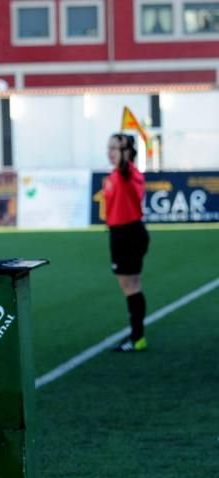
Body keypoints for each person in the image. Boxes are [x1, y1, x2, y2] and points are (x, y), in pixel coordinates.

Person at [104, 132, 149, 352]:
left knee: (130, 287)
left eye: (116, 148)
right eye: (109, 148)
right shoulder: (112, 176)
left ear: (127, 151)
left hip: (129, 233)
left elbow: (129, 179)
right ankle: (137, 336)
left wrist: (126, 157)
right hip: (119, 233)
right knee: (131, 286)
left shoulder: (129, 174)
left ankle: (137, 337)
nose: (111, 152)